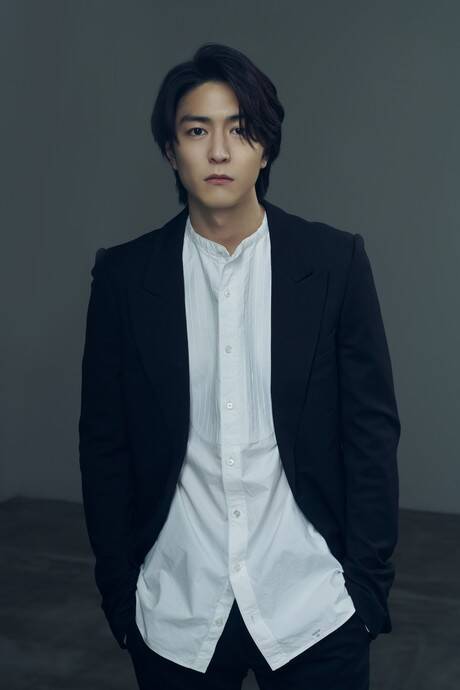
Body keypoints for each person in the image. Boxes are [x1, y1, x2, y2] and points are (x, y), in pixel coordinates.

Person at [78, 42, 401, 690]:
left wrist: (364, 592)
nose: (220, 151)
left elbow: (371, 434)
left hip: (312, 605)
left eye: (240, 129)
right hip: (177, 609)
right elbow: (104, 447)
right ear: (171, 150)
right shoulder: (124, 279)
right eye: (198, 131)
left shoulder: (334, 264)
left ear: (266, 147)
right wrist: (122, 598)